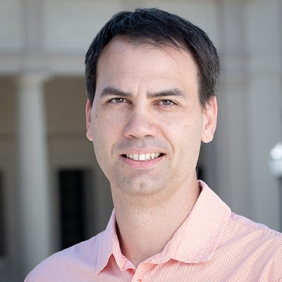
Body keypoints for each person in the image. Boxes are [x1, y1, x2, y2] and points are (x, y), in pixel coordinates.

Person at [25, 8, 282, 281]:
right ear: (90, 117)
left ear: (208, 119)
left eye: (166, 102)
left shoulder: (270, 266)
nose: (138, 127)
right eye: (118, 101)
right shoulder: (49, 276)